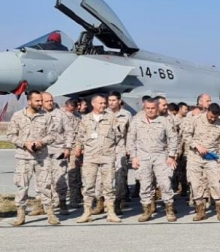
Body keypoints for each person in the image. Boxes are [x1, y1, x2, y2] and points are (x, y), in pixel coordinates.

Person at [6, 91, 59, 226]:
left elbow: (53, 135)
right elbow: (11, 135)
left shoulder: (46, 116)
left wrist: (41, 142)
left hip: (41, 157)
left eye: (41, 101)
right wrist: (24, 143)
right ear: (29, 101)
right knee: (22, 186)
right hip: (23, 157)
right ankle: (20, 215)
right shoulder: (18, 116)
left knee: (46, 186)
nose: (40, 103)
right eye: (37, 101)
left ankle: (50, 214)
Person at [73, 94, 126, 224]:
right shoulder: (86, 120)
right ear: (93, 104)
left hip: (107, 157)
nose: (103, 105)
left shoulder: (112, 118)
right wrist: (78, 149)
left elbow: (119, 135)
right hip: (90, 157)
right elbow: (80, 137)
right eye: (101, 103)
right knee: (89, 186)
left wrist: (109, 146)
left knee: (108, 186)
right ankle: (87, 212)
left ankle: (111, 212)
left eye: (104, 103)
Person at [127, 97, 178, 222]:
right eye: (148, 108)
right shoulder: (137, 121)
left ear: (157, 108)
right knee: (145, 185)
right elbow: (130, 139)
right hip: (142, 156)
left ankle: (169, 210)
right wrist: (133, 157)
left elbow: (173, 138)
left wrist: (171, 156)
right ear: (144, 108)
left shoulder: (164, 121)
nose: (150, 111)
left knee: (165, 183)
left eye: (153, 108)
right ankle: (146, 210)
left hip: (160, 155)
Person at [184, 103, 220, 221]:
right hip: (195, 157)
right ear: (207, 111)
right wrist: (196, 146)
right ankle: (200, 210)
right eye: (210, 117)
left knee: (215, 183)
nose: (212, 119)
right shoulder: (196, 120)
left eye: (215, 117)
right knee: (196, 184)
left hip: (212, 157)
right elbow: (186, 136)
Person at [107, 92, 134, 216]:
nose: (111, 102)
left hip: (120, 147)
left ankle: (118, 201)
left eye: (113, 100)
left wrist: (129, 149)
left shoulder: (126, 114)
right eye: (109, 100)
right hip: (106, 148)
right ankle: (104, 202)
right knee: (105, 176)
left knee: (120, 176)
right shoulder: (104, 114)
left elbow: (130, 133)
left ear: (119, 101)